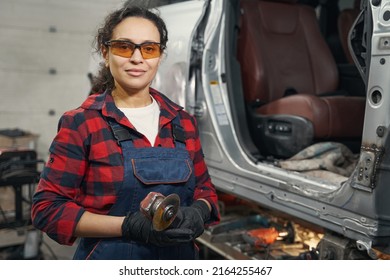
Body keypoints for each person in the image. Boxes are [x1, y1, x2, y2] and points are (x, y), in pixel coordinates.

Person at [31, 5, 220, 260]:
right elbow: (48, 209)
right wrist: (128, 226)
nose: (137, 58)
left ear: (160, 56)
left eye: (149, 48)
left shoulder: (182, 121)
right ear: (105, 52)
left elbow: (204, 190)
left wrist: (199, 210)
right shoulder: (83, 124)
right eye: (124, 46)